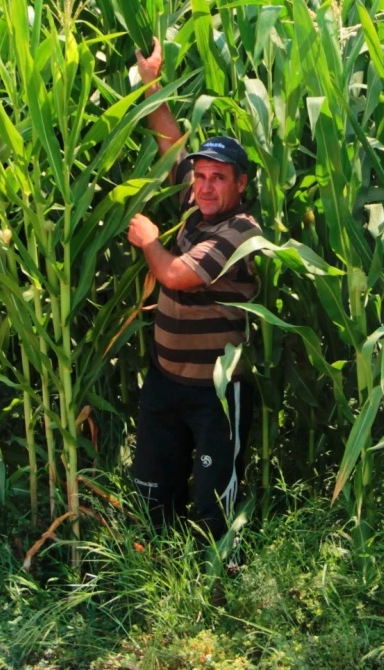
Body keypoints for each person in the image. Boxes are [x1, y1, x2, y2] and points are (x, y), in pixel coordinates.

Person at [126, 38, 262, 545]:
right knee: (153, 495)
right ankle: (154, 573)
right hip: (166, 385)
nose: (204, 186)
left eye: (218, 178)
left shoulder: (240, 232)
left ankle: (215, 591)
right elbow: (169, 144)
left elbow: (176, 275)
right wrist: (151, 81)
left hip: (217, 395)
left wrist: (149, 241)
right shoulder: (196, 207)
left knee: (213, 510)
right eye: (201, 176)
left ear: (239, 184)